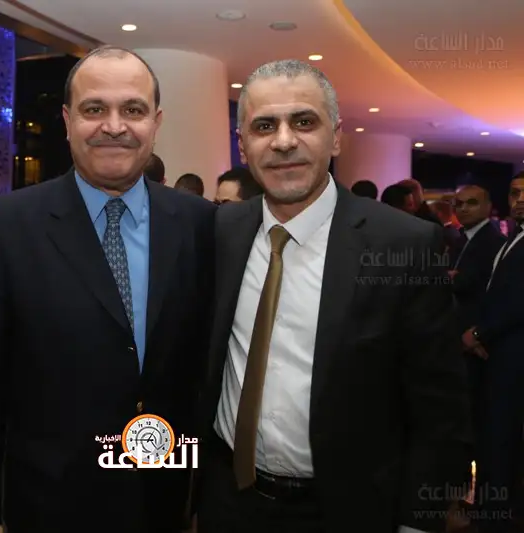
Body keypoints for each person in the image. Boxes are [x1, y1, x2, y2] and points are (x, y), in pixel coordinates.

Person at [0, 45, 216, 533]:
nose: (114, 126)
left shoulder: (198, 222)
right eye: (95, 109)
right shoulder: (8, 226)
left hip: (162, 496)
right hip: (49, 500)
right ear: (68, 121)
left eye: (132, 110)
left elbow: (202, 372)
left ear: (156, 122)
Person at [197, 59, 470, 533]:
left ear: (336, 137)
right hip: (228, 501)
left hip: (348, 508)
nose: (284, 141)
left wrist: (418, 521)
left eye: (304, 121)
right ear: (243, 146)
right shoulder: (222, 230)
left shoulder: (402, 244)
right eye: (264, 126)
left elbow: (439, 405)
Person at [462, 173, 524, 532]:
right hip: (497, 353)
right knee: (492, 437)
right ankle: (488, 512)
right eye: (515, 193)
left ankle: (494, 518)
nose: (520, 200)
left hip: (512, 355)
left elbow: (518, 302)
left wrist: (479, 332)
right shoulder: (512, 236)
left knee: (502, 439)